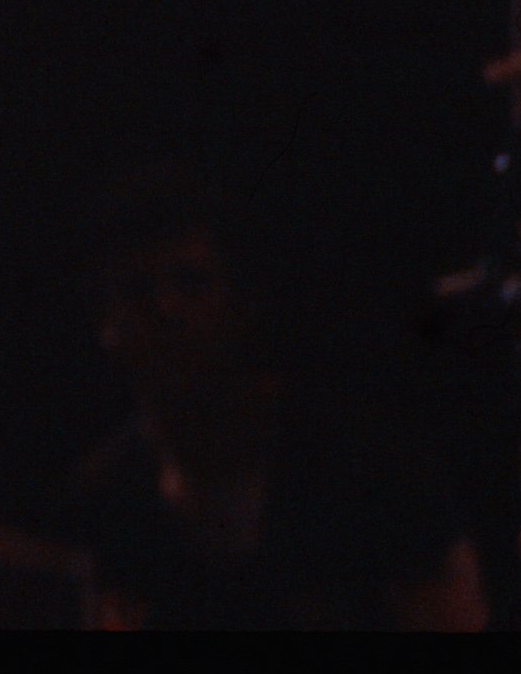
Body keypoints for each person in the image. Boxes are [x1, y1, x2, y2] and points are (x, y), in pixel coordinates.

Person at [72, 168, 485, 630]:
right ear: (106, 326)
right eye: (137, 290)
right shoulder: (113, 495)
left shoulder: (366, 465)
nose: (166, 309)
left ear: (242, 305)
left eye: (191, 283)